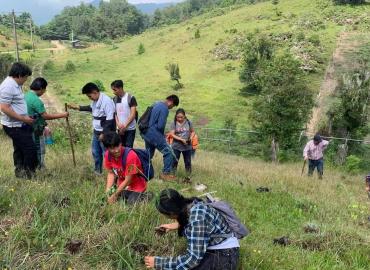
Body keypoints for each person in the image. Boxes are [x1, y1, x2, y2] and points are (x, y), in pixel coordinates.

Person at [144, 189, 240, 270]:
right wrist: (175, 225)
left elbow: (192, 259)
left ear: (172, 213)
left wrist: (158, 263)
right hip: (219, 248)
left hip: (226, 255)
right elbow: (198, 222)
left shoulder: (197, 219)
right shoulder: (191, 204)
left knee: (185, 266)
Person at [0, 62, 38, 179]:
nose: (26, 80)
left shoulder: (15, 84)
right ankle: (29, 175)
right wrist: (23, 118)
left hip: (19, 123)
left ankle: (20, 173)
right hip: (14, 126)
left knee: (19, 149)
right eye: (26, 77)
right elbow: (4, 107)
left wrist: (25, 117)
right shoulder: (8, 86)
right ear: (20, 75)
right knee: (30, 149)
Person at [68, 82, 115, 175]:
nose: (89, 98)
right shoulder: (95, 101)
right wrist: (78, 107)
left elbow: (110, 120)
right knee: (95, 152)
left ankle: (113, 173)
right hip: (96, 132)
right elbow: (90, 108)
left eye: (89, 96)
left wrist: (103, 134)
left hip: (105, 133)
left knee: (107, 154)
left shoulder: (107, 101)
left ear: (95, 92)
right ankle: (98, 172)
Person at [25, 77, 69, 168]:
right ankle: (40, 167)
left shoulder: (25, 96)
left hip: (26, 127)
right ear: (41, 88)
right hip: (36, 128)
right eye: (44, 89)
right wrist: (63, 115)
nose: (44, 92)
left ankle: (31, 167)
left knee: (30, 148)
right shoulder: (36, 100)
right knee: (40, 148)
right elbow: (45, 116)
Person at [102, 132, 152, 204]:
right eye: (112, 148)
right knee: (107, 200)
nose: (116, 150)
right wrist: (108, 191)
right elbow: (111, 173)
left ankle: (147, 196)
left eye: (117, 146)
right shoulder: (107, 155)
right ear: (107, 148)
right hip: (122, 184)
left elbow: (128, 180)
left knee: (130, 204)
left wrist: (115, 194)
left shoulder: (131, 156)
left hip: (136, 185)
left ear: (121, 143)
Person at [141, 95, 179, 181]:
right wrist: (162, 136)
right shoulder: (164, 108)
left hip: (146, 132)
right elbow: (160, 125)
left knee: (148, 154)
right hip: (154, 133)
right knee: (168, 152)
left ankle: (143, 171)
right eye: (173, 106)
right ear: (171, 102)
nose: (171, 108)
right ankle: (166, 174)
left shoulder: (156, 103)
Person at [111, 80, 138, 148]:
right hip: (119, 129)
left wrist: (125, 126)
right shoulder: (114, 99)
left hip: (130, 129)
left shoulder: (130, 98)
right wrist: (118, 125)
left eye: (115, 90)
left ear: (120, 88)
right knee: (120, 148)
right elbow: (115, 114)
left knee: (128, 148)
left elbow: (133, 114)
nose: (113, 92)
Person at [169, 108, 194, 176]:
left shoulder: (189, 122)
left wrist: (191, 138)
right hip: (176, 146)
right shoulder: (173, 123)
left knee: (188, 162)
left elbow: (192, 132)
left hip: (187, 147)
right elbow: (172, 134)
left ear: (184, 116)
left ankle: (188, 176)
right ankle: (172, 175)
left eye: (181, 117)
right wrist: (181, 139)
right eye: (178, 117)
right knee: (174, 161)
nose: (179, 119)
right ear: (175, 116)